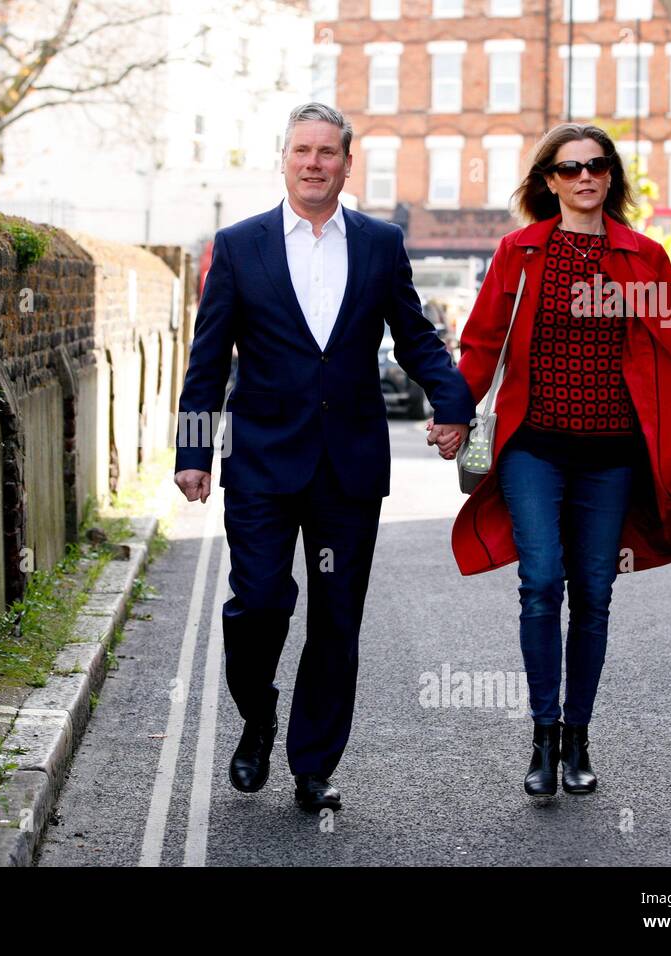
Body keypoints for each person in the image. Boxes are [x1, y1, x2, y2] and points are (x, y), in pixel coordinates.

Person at [173, 103, 474, 813]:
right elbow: (207, 359)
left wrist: (452, 400)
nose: (314, 163)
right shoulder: (239, 246)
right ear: (282, 158)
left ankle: (312, 764)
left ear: (347, 162)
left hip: (347, 466)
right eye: (301, 151)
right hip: (260, 464)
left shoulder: (379, 243)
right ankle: (257, 713)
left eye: (327, 153)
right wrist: (193, 448)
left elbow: (417, 336)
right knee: (258, 605)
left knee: (337, 618)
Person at [449, 123, 671, 797]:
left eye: (597, 166)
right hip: (533, 448)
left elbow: (666, 368)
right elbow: (481, 343)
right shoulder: (518, 253)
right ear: (548, 180)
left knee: (595, 595)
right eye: (570, 167)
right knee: (542, 580)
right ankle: (543, 736)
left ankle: (579, 737)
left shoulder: (644, 260)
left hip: (611, 454)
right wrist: (452, 410)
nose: (584, 176)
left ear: (611, 176)